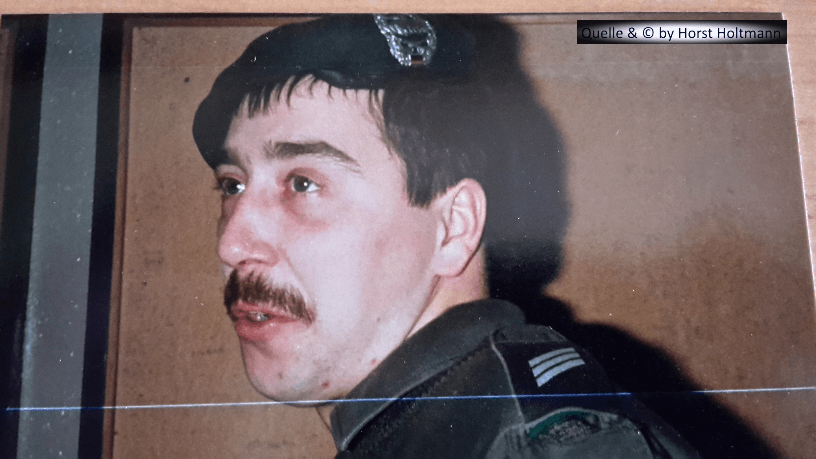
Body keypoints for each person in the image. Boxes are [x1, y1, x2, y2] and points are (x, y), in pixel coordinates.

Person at [193, 14, 700, 458]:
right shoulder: (444, 425)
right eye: (232, 185)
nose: (231, 245)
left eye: (303, 184)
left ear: (454, 226)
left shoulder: (536, 444)